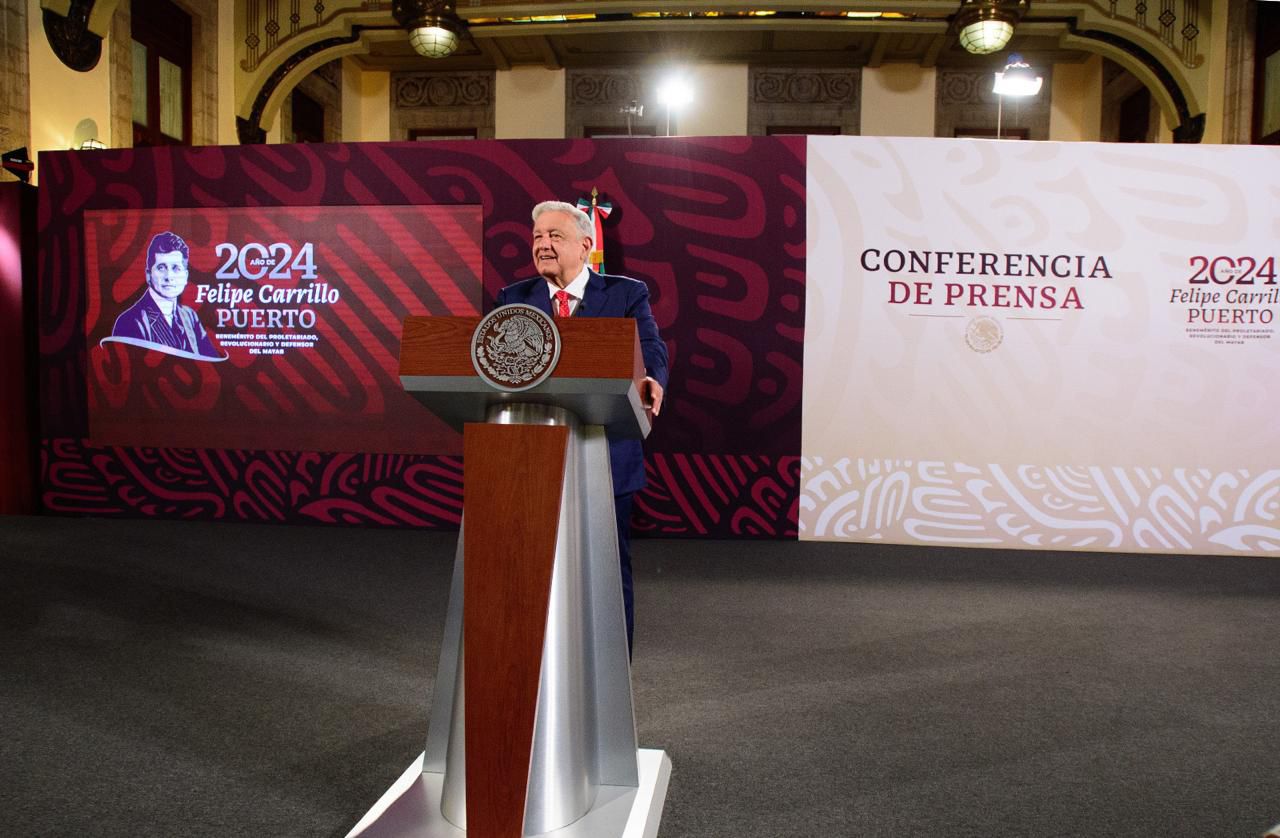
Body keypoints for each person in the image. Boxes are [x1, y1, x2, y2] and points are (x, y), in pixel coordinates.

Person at [497, 200, 669, 653]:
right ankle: (538, 661)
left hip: (605, 455)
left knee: (607, 568)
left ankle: (612, 664)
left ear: (586, 245)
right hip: (531, 457)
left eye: (555, 236)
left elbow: (650, 346)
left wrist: (652, 378)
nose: (543, 245)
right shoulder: (513, 298)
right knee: (530, 567)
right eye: (537, 237)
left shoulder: (626, 294)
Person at [110, 230, 221, 359]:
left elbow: (212, 362)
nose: (169, 277)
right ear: (148, 275)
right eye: (161, 268)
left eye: (176, 268)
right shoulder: (130, 321)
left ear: (185, 276)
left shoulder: (189, 316)